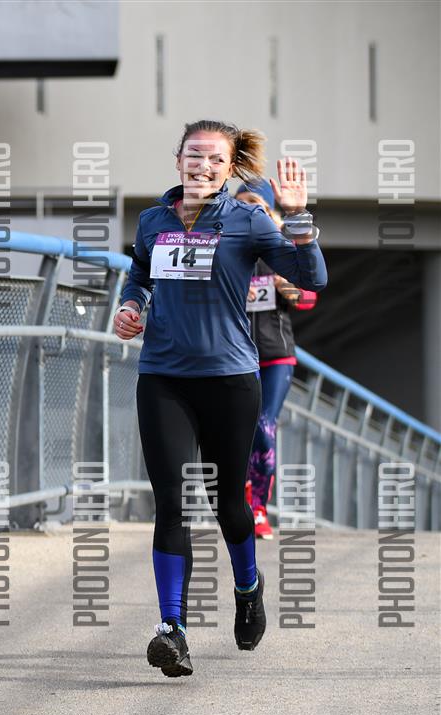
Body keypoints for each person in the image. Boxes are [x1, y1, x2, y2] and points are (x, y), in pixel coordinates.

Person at [114, 120, 327, 677]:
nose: (203, 166)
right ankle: (172, 629)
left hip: (230, 380)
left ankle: (248, 589)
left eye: (215, 159)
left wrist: (298, 218)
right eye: (194, 155)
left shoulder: (247, 219)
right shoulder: (153, 220)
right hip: (163, 377)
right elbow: (139, 275)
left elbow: (311, 277)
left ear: (230, 168)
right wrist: (131, 306)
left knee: (228, 502)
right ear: (178, 160)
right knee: (171, 503)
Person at [235, 184, 318, 540]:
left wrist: (286, 286)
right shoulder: (227, 246)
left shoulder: (280, 246)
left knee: (264, 427)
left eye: (256, 204)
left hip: (275, 355)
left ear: (271, 212)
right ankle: (239, 498)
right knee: (236, 431)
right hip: (234, 355)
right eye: (240, 204)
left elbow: (309, 297)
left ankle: (258, 507)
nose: (248, 211)